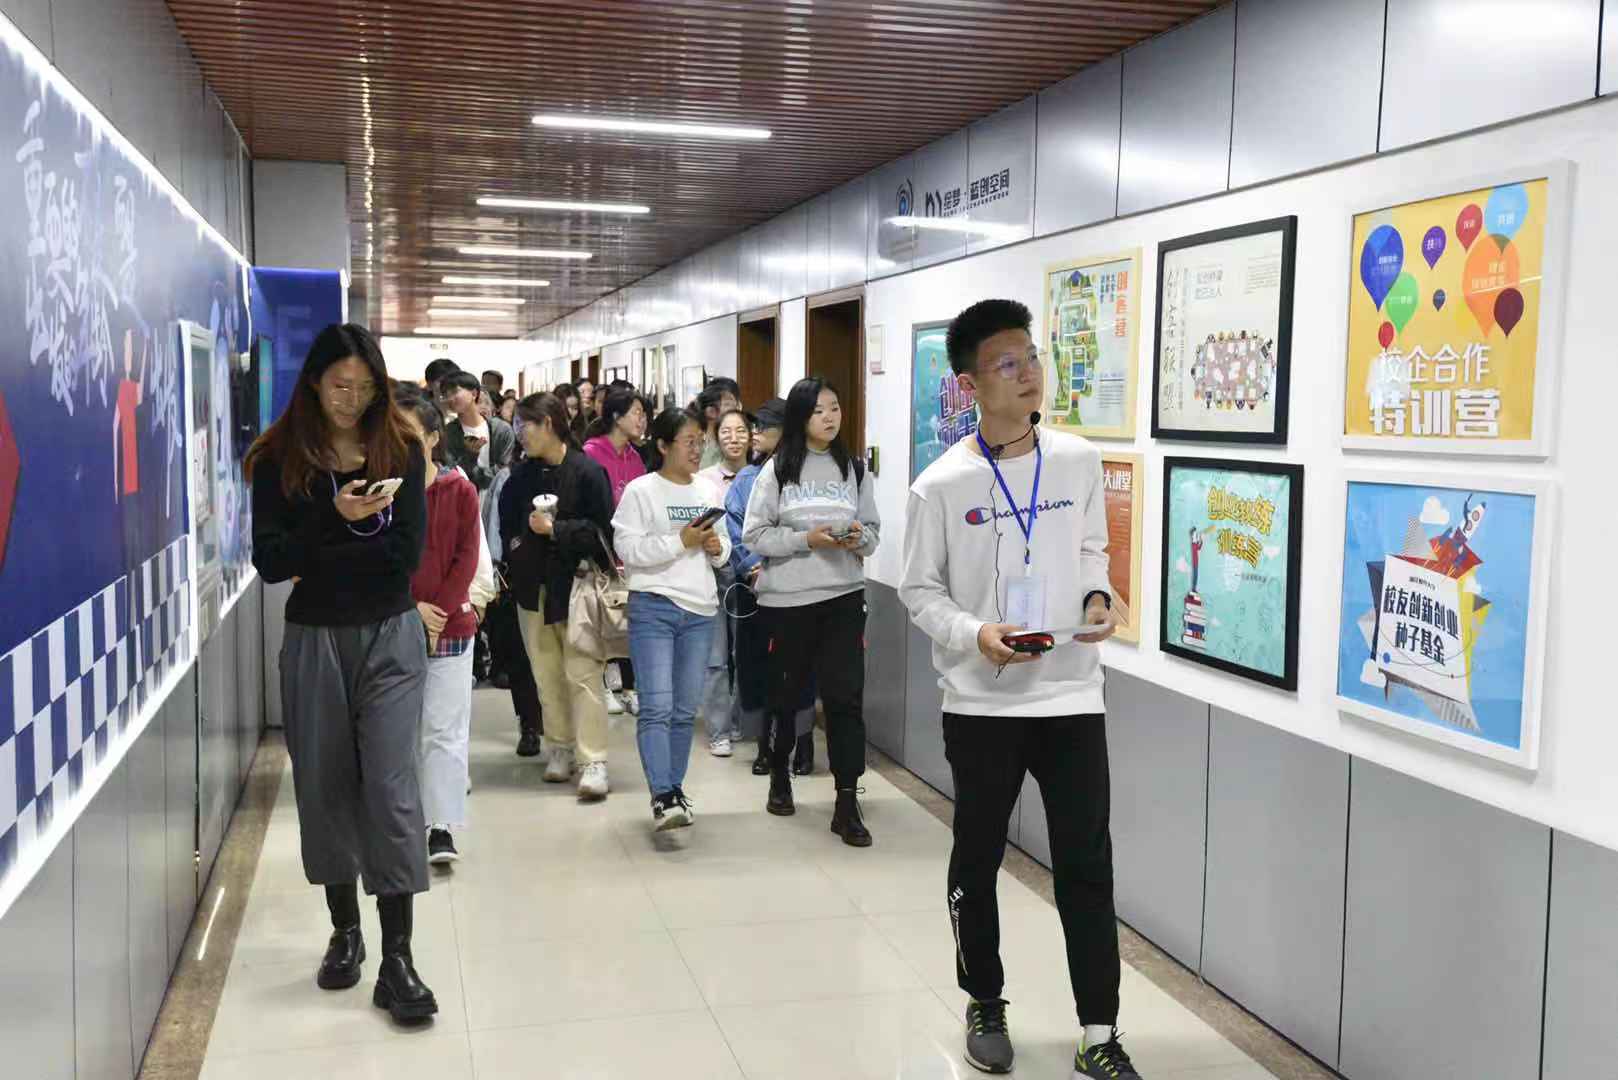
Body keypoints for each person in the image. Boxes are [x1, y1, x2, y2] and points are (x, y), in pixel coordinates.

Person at [898, 299, 1136, 1080]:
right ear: (970, 385)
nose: (1029, 372)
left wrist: (1096, 598)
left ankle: (1099, 1031)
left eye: (1032, 356)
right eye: (1007, 363)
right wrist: (975, 634)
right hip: (982, 703)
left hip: (1072, 695)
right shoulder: (940, 484)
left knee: (1086, 865)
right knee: (977, 857)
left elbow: (1093, 550)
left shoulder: (1077, 460)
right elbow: (918, 590)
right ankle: (984, 1000)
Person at [246, 323, 437, 1024]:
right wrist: (334, 517)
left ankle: (398, 958)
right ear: (313, 383)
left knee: (391, 789)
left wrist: (319, 551)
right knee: (325, 787)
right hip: (314, 639)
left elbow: (404, 558)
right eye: (338, 385)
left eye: (364, 387)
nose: (351, 399)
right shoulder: (279, 459)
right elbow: (271, 561)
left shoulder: (401, 449)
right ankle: (345, 930)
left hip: (390, 634)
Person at [741, 377, 880, 844]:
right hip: (788, 603)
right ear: (802, 417)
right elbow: (755, 535)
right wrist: (807, 539)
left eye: (835, 407)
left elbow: (873, 533)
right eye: (819, 410)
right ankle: (780, 774)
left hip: (844, 597)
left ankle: (847, 801)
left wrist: (858, 537)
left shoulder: (853, 468)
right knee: (787, 696)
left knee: (845, 700)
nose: (830, 417)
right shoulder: (777, 469)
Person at [613, 408, 730, 830]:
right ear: (663, 446)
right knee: (657, 707)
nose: (697, 450)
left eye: (701, 441)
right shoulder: (641, 491)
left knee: (683, 711)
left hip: (700, 610)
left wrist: (716, 548)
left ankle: (674, 792)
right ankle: (662, 794)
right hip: (654, 607)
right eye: (689, 442)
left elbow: (724, 551)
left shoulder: (708, 489)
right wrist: (681, 540)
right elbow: (628, 550)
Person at [499, 392, 616, 800]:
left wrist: (557, 531)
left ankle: (593, 759)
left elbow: (604, 534)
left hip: (577, 587)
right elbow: (507, 531)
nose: (520, 433)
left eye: (525, 425)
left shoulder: (587, 471)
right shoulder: (519, 478)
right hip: (533, 589)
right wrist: (521, 547)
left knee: (583, 674)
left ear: (548, 423)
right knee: (546, 674)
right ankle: (560, 747)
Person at [396, 389, 479, 867]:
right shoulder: (382, 491)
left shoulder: (459, 490)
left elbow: (466, 558)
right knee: (398, 731)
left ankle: (441, 825)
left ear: (431, 438)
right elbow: (378, 561)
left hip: (451, 629)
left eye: (409, 435)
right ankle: (404, 822)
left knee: (444, 731)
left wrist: (436, 616)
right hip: (393, 623)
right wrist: (411, 609)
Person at [724, 398, 816, 776]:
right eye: (754, 425)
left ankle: (804, 741)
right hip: (757, 589)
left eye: (764, 425)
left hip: (804, 587)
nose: (755, 433)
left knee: (802, 667)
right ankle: (766, 743)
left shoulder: (810, 475)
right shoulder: (747, 479)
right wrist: (754, 569)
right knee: (759, 667)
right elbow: (736, 531)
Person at [583, 388, 652, 717]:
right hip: (599, 550)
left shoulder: (636, 457)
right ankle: (604, 684)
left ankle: (628, 686)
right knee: (601, 619)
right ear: (615, 416)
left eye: (644, 414)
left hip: (631, 551)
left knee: (626, 620)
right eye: (637, 413)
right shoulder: (591, 453)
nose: (643, 420)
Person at [696, 408, 750, 756]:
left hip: (751, 574)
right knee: (716, 656)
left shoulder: (763, 476)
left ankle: (740, 719)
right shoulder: (703, 481)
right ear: (717, 438)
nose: (734, 438)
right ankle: (719, 729)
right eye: (726, 432)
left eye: (740, 431)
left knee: (743, 651)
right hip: (713, 573)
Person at [439, 372, 514, 493]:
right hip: (463, 496)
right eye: (445, 394)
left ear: (474, 393)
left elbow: (505, 470)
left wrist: (476, 473)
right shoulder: (448, 432)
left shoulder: (501, 429)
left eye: (454, 391)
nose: (450, 398)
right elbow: (451, 472)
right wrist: (470, 456)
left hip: (497, 496)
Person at [696, 377, 741, 468]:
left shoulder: (737, 443)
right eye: (727, 403)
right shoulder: (697, 443)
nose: (737, 408)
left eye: (737, 403)